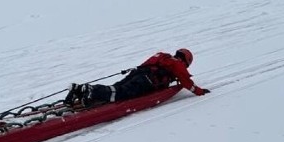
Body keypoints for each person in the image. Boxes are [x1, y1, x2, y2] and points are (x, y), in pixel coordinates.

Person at [65, 48, 210, 107]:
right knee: (121, 94)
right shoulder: (179, 65)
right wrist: (198, 91)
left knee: (115, 88)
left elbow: (145, 65)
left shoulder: (162, 56)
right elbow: (186, 82)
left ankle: (82, 90)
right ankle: (91, 91)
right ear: (186, 61)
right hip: (147, 80)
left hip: (137, 73)